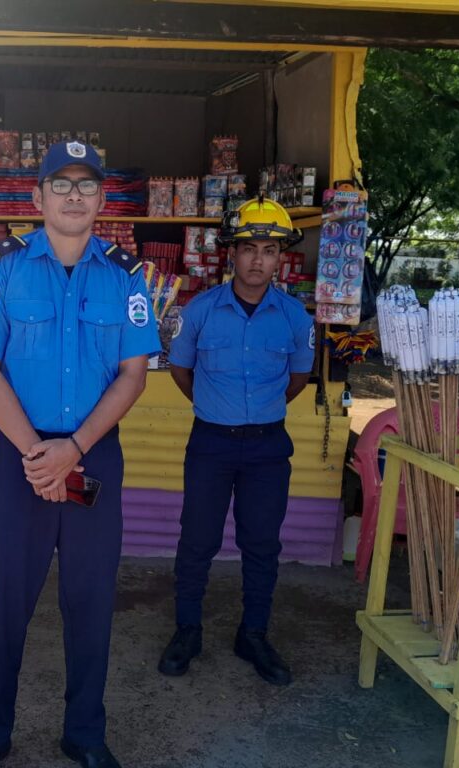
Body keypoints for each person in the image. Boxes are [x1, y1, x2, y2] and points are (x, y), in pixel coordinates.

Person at [0, 141, 160, 768]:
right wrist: (37, 455)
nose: (75, 196)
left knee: (91, 600)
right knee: (4, 603)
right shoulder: (2, 268)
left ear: (102, 199)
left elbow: (133, 375)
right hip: (18, 458)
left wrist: (71, 451)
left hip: (92, 455)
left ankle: (85, 734)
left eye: (87, 185)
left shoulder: (126, 276)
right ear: (38, 197)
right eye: (62, 185)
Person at [157, 197, 315, 687]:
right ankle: (187, 631)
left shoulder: (295, 317)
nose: (257, 260)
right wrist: (215, 406)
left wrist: (257, 412)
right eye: (249, 248)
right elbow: (181, 370)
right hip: (211, 445)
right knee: (197, 540)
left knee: (262, 544)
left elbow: (298, 379)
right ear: (232, 253)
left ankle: (254, 634)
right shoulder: (200, 311)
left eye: (269, 250)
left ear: (279, 257)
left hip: (268, 448)